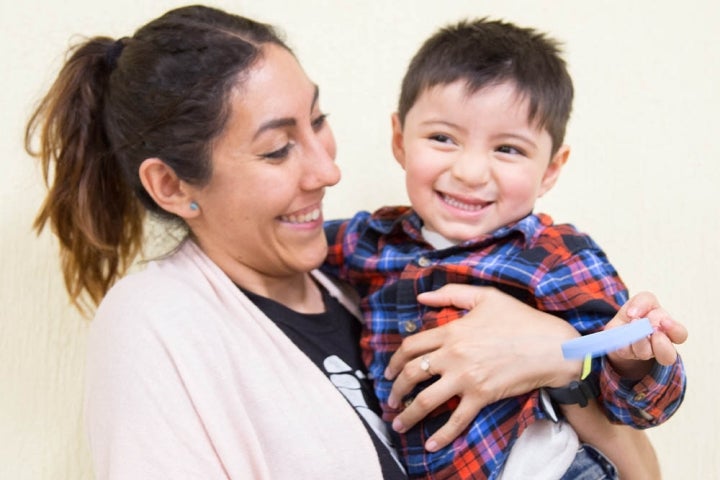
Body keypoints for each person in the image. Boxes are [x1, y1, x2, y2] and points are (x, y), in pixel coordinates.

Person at [25, 5, 682, 479]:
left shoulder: (351, 277)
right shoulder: (160, 322)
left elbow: (639, 465)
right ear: (170, 186)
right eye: (279, 148)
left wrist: (565, 358)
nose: (328, 171)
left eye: (319, 122)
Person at [322, 18, 687, 479]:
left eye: (509, 149)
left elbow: (642, 407)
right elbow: (284, 244)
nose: (471, 172)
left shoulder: (557, 255)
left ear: (551, 169)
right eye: (442, 138)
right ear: (400, 141)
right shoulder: (370, 239)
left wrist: (632, 364)